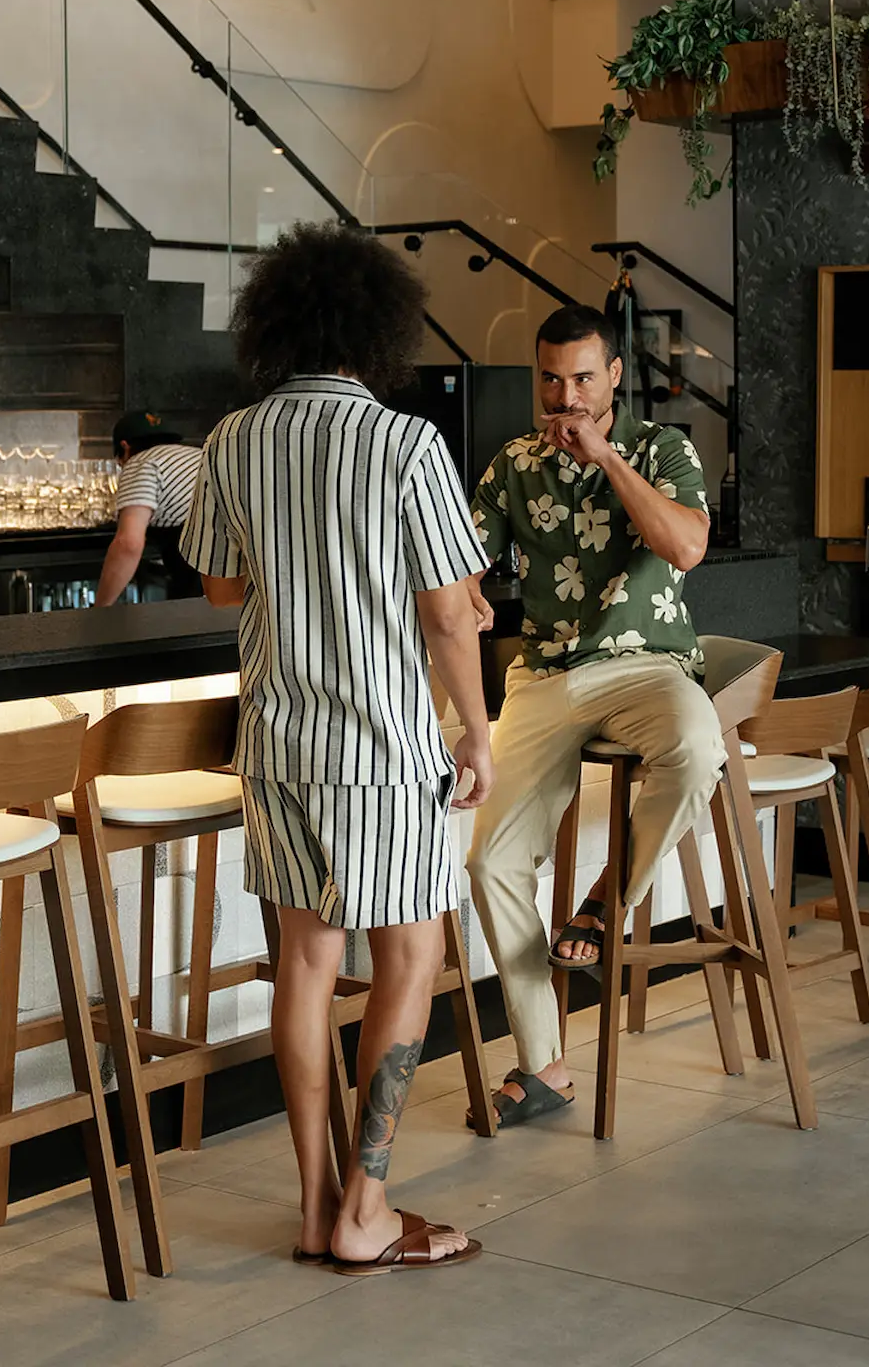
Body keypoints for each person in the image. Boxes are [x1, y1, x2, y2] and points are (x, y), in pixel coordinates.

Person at [180, 222, 494, 1277]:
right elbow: (452, 614)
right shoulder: (407, 445)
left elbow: (223, 587)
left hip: (276, 746)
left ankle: (317, 1208)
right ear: (377, 329)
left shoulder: (232, 439)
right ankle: (369, 1205)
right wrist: (479, 736)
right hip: (384, 752)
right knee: (413, 956)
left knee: (306, 967)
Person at [464, 302, 720, 1128]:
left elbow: (683, 547)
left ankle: (608, 900)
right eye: (550, 378)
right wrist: (460, 595)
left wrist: (607, 458)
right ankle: (542, 1066)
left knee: (695, 744)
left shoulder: (662, 448)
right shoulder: (513, 464)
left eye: (581, 377)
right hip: (543, 675)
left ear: (614, 376)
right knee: (490, 860)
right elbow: (464, 561)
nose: (564, 394)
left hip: (646, 666)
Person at [95, 410, 204, 605]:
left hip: (201, 581)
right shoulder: (200, 454)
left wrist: (101, 608)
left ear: (125, 447)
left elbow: (128, 544)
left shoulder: (141, 463)